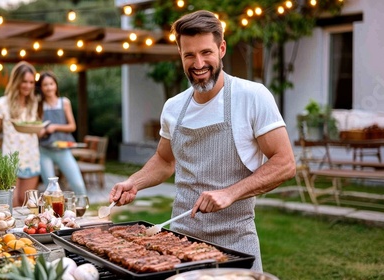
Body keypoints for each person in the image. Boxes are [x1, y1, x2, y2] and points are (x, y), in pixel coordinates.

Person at [108, 10, 296, 272]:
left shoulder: (252, 96)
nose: (198, 63)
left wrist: (230, 193)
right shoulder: (174, 108)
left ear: (221, 49)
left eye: (206, 52)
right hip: (179, 241)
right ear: (180, 56)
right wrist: (134, 182)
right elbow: (164, 160)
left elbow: (285, 163)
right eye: (189, 55)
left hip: (236, 242)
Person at [0, 61, 41, 207]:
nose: (28, 85)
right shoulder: (2, 104)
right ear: (16, 81)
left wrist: (43, 130)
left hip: (31, 158)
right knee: (11, 202)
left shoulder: (34, 103)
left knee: (28, 203)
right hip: (10, 159)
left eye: (31, 82)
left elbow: (37, 129)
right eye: (24, 81)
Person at [35, 71, 87, 195]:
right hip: (44, 151)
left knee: (78, 184)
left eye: (51, 84)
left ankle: (83, 210)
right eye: (45, 85)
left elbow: (72, 126)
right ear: (41, 88)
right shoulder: (39, 105)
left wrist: (54, 127)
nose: (49, 87)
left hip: (63, 149)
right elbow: (37, 131)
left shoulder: (64, 102)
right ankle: (52, 214)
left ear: (56, 85)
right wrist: (42, 131)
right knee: (50, 189)